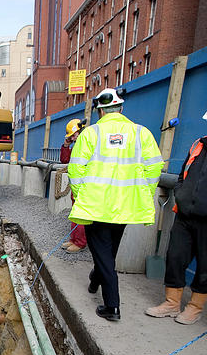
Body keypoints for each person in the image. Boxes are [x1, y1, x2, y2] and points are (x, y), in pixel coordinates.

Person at [68, 88, 164, 321]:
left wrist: (83, 196)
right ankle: (94, 279)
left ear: (100, 111)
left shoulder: (90, 135)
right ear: (121, 109)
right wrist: (143, 193)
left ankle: (112, 306)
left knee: (103, 254)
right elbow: (154, 168)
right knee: (108, 252)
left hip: (96, 206)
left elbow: (75, 170)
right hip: (125, 207)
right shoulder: (141, 134)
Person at [145, 110, 207, 324]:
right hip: (184, 215)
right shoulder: (197, 145)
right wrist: (180, 194)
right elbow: (183, 176)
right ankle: (172, 303)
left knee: (205, 266)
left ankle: (195, 307)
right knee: (175, 257)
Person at [60, 118, 87, 253]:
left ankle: (80, 242)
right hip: (76, 185)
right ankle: (74, 239)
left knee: (81, 213)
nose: (72, 138)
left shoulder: (87, 143)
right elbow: (65, 160)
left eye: (72, 135)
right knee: (75, 213)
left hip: (84, 185)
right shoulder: (78, 145)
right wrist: (66, 146)